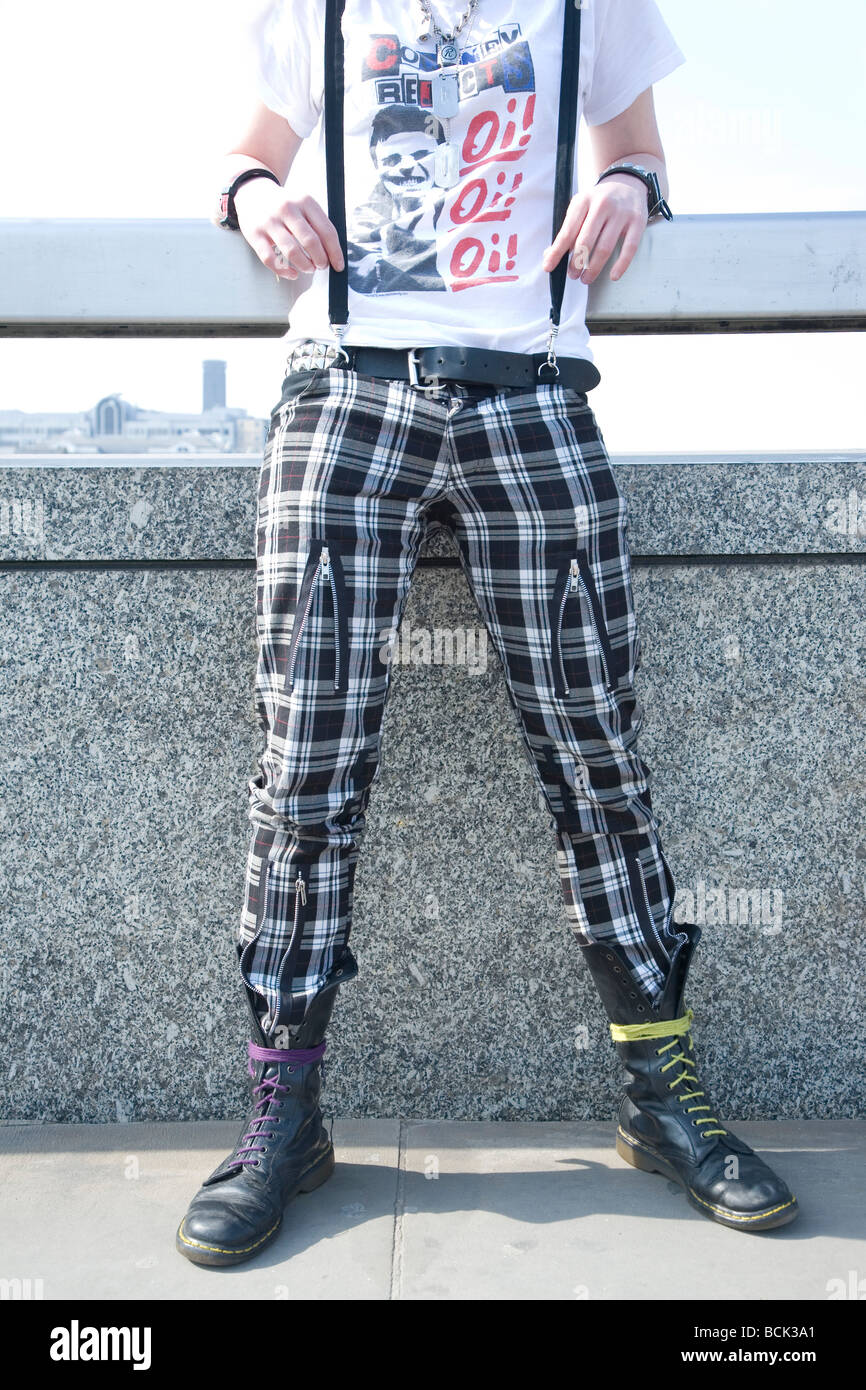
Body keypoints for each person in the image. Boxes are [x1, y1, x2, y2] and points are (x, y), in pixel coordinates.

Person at [176, 0, 798, 1268]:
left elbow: (638, 148)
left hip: (532, 396)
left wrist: (629, 184)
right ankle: (284, 1113)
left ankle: (656, 1094)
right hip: (346, 390)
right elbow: (245, 153)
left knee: (596, 758)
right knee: (304, 764)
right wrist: (248, 196)